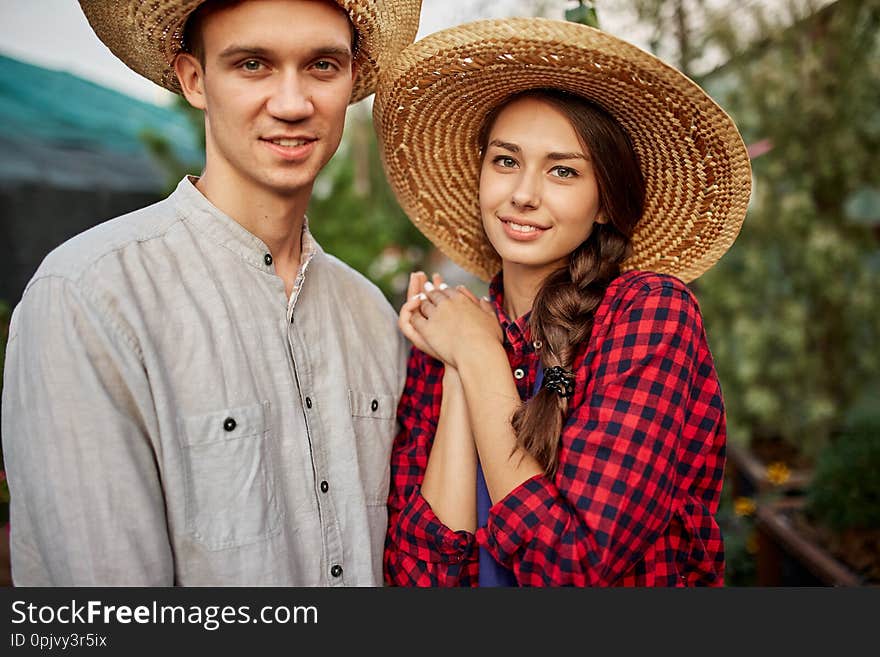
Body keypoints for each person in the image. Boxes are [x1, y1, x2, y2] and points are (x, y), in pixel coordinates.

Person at [1, 0, 422, 586]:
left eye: (322, 65)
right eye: (253, 64)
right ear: (194, 80)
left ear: (351, 79)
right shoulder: (88, 297)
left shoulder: (370, 314)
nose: (293, 103)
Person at [374, 17, 752, 586]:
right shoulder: (454, 332)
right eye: (505, 161)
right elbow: (419, 581)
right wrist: (459, 366)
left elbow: (572, 567)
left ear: (604, 203)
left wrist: (480, 360)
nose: (523, 195)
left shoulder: (647, 315)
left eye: (563, 171)